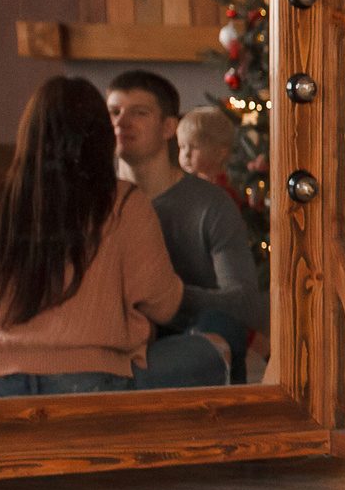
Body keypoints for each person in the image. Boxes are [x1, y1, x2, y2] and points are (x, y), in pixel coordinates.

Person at [0, 76, 234, 396]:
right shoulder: (122, 202)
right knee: (215, 347)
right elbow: (164, 305)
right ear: (101, 137)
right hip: (88, 384)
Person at [108, 71, 265, 370]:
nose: (121, 122)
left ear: (169, 127)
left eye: (139, 112)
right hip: (113, 348)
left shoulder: (212, 204)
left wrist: (168, 295)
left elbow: (245, 304)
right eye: (114, 112)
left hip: (192, 344)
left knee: (220, 325)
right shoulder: (92, 202)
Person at [177, 105, 238, 188]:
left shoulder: (223, 192)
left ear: (220, 153)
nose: (187, 154)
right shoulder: (186, 186)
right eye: (182, 146)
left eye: (195, 146)